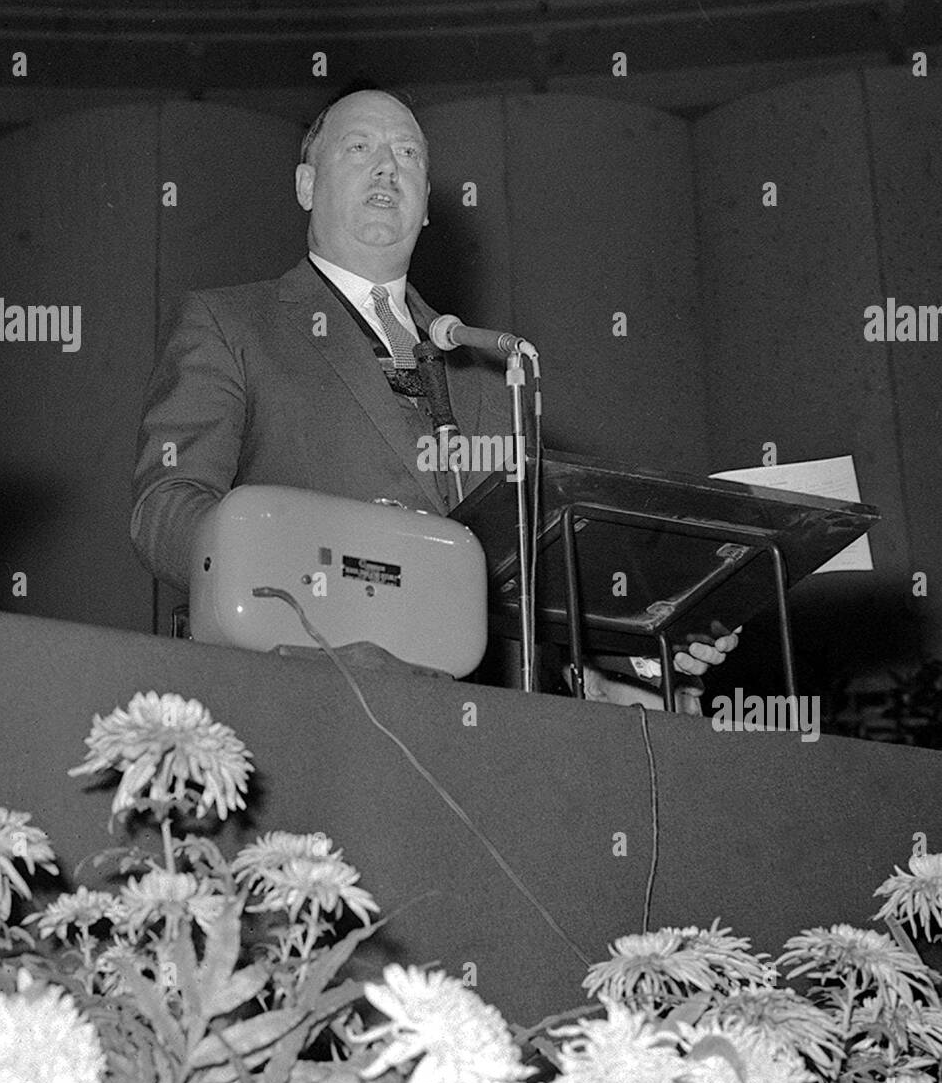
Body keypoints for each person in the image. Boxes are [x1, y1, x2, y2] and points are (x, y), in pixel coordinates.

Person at [130, 86, 736, 702]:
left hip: (481, 718)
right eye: (359, 147)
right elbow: (165, 506)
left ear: (423, 208)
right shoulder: (229, 323)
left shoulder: (486, 371)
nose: (387, 165)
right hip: (303, 689)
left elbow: (530, 569)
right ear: (306, 186)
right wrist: (288, 563)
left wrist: (648, 635)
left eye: (408, 154)